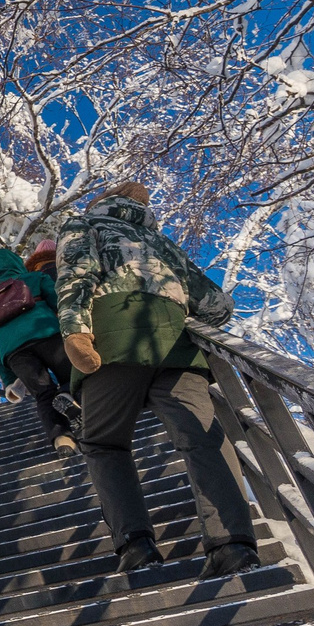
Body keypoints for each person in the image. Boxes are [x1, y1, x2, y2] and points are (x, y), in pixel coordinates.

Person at [56, 182, 259, 578]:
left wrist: (75, 332)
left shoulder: (84, 224)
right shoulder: (162, 242)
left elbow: (75, 277)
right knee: (201, 436)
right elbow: (217, 305)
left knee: (103, 443)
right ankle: (233, 545)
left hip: (112, 342)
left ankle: (137, 547)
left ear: (101, 203)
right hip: (176, 346)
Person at [0, 245, 79, 453]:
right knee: (74, 375)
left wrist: (8, 379)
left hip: (15, 353)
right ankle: (70, 397)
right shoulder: (34, 278)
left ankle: (62, 439)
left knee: (43, 394)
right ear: (16, 262)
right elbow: (61, 305)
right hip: (48, 335)